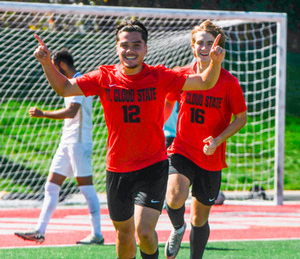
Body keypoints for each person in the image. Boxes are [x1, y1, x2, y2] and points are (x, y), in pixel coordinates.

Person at [30, 18, 224, 259]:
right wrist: (47, 63)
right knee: (123, 234)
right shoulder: (104, 76)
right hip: (117, 168)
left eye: (136, 45)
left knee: (144, 231)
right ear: (117, 47)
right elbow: (65, 89)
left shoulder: (160, 76)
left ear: (145, 48)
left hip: (153, 166)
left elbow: (205, 82)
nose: (130, 50)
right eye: (124, 45)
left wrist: (215, 63)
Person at [164, 20, 247, 259]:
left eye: (210, 43)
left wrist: (218, 140)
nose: (204, 47)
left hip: (211, 156)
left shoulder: (229, 82)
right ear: (192, 46)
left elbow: (241, 118)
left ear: (218, 47)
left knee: (200, 218)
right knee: (174, 196)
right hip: (182, 149)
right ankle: (178, 228)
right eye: (200, 42)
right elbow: (168, 101)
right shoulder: (181, 74)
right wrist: (156, 126)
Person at [14, 48, 104, 245]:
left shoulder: (79, 82)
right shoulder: (69, 83)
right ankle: (39, 230)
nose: (53, 73)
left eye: (54, 68)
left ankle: (97, 233)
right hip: (67, 141)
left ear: (62, 66)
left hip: (79, 143)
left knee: (86, 188)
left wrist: (43, 113)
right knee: (51, 185)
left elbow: (72, 112)